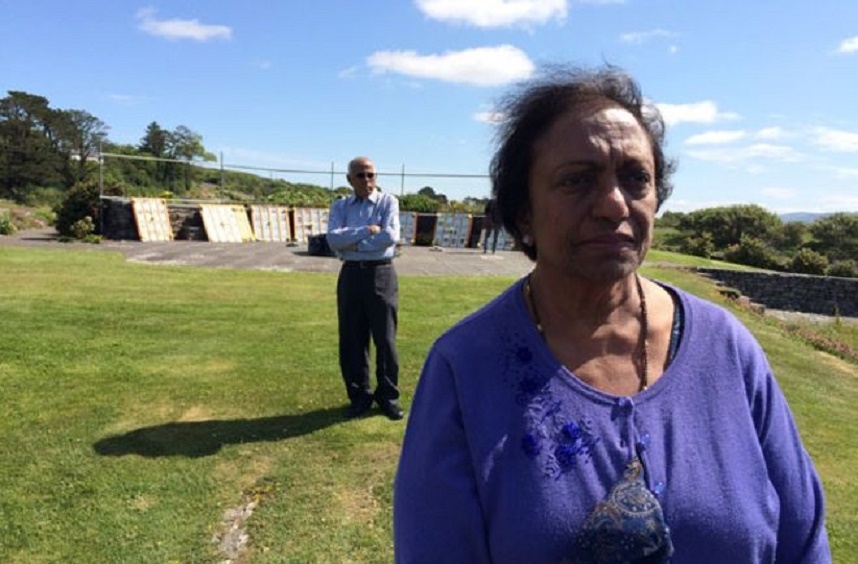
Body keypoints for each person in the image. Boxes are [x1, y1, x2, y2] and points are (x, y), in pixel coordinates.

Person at [394, 67, 830, 562]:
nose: (613, 204)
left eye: (635, 178)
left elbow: (804, 541)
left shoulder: (726, 347)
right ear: (523, 213)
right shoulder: (466, 368)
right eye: (576, 180)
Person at [327, 156, 404, 421]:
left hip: (381, 273)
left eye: (371, 174)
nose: (367, 180)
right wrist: (367, 231)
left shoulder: (388, 202)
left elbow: (390, 236)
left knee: (385, 339)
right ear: (349, 179)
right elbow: (333, 239)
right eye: (360, 175)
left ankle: (388, 397)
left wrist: (353, 244)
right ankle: (359, 397)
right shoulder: (340, 206)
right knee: (352, 339)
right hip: (350, 276)